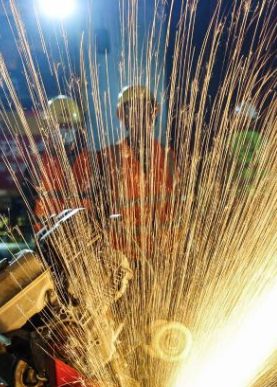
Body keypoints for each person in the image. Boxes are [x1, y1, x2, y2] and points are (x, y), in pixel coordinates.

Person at [96, 85, 178, 260]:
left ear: (152, 114)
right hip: (126, 259)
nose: (139, 117)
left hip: (166, 256)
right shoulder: (109, 157)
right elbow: (97, 210)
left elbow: (182, 206)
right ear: (123, 117)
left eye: (144, 110)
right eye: (133, 111)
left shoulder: (168, 156)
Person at [32, 95, 92, 227]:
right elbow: (29, 202)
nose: (63, 131)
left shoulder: (91, 160)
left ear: (77, 128)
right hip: (48, 238)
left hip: (85, 237)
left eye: (68, 126)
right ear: (49, 129)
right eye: (58, 126)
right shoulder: (38, 164)